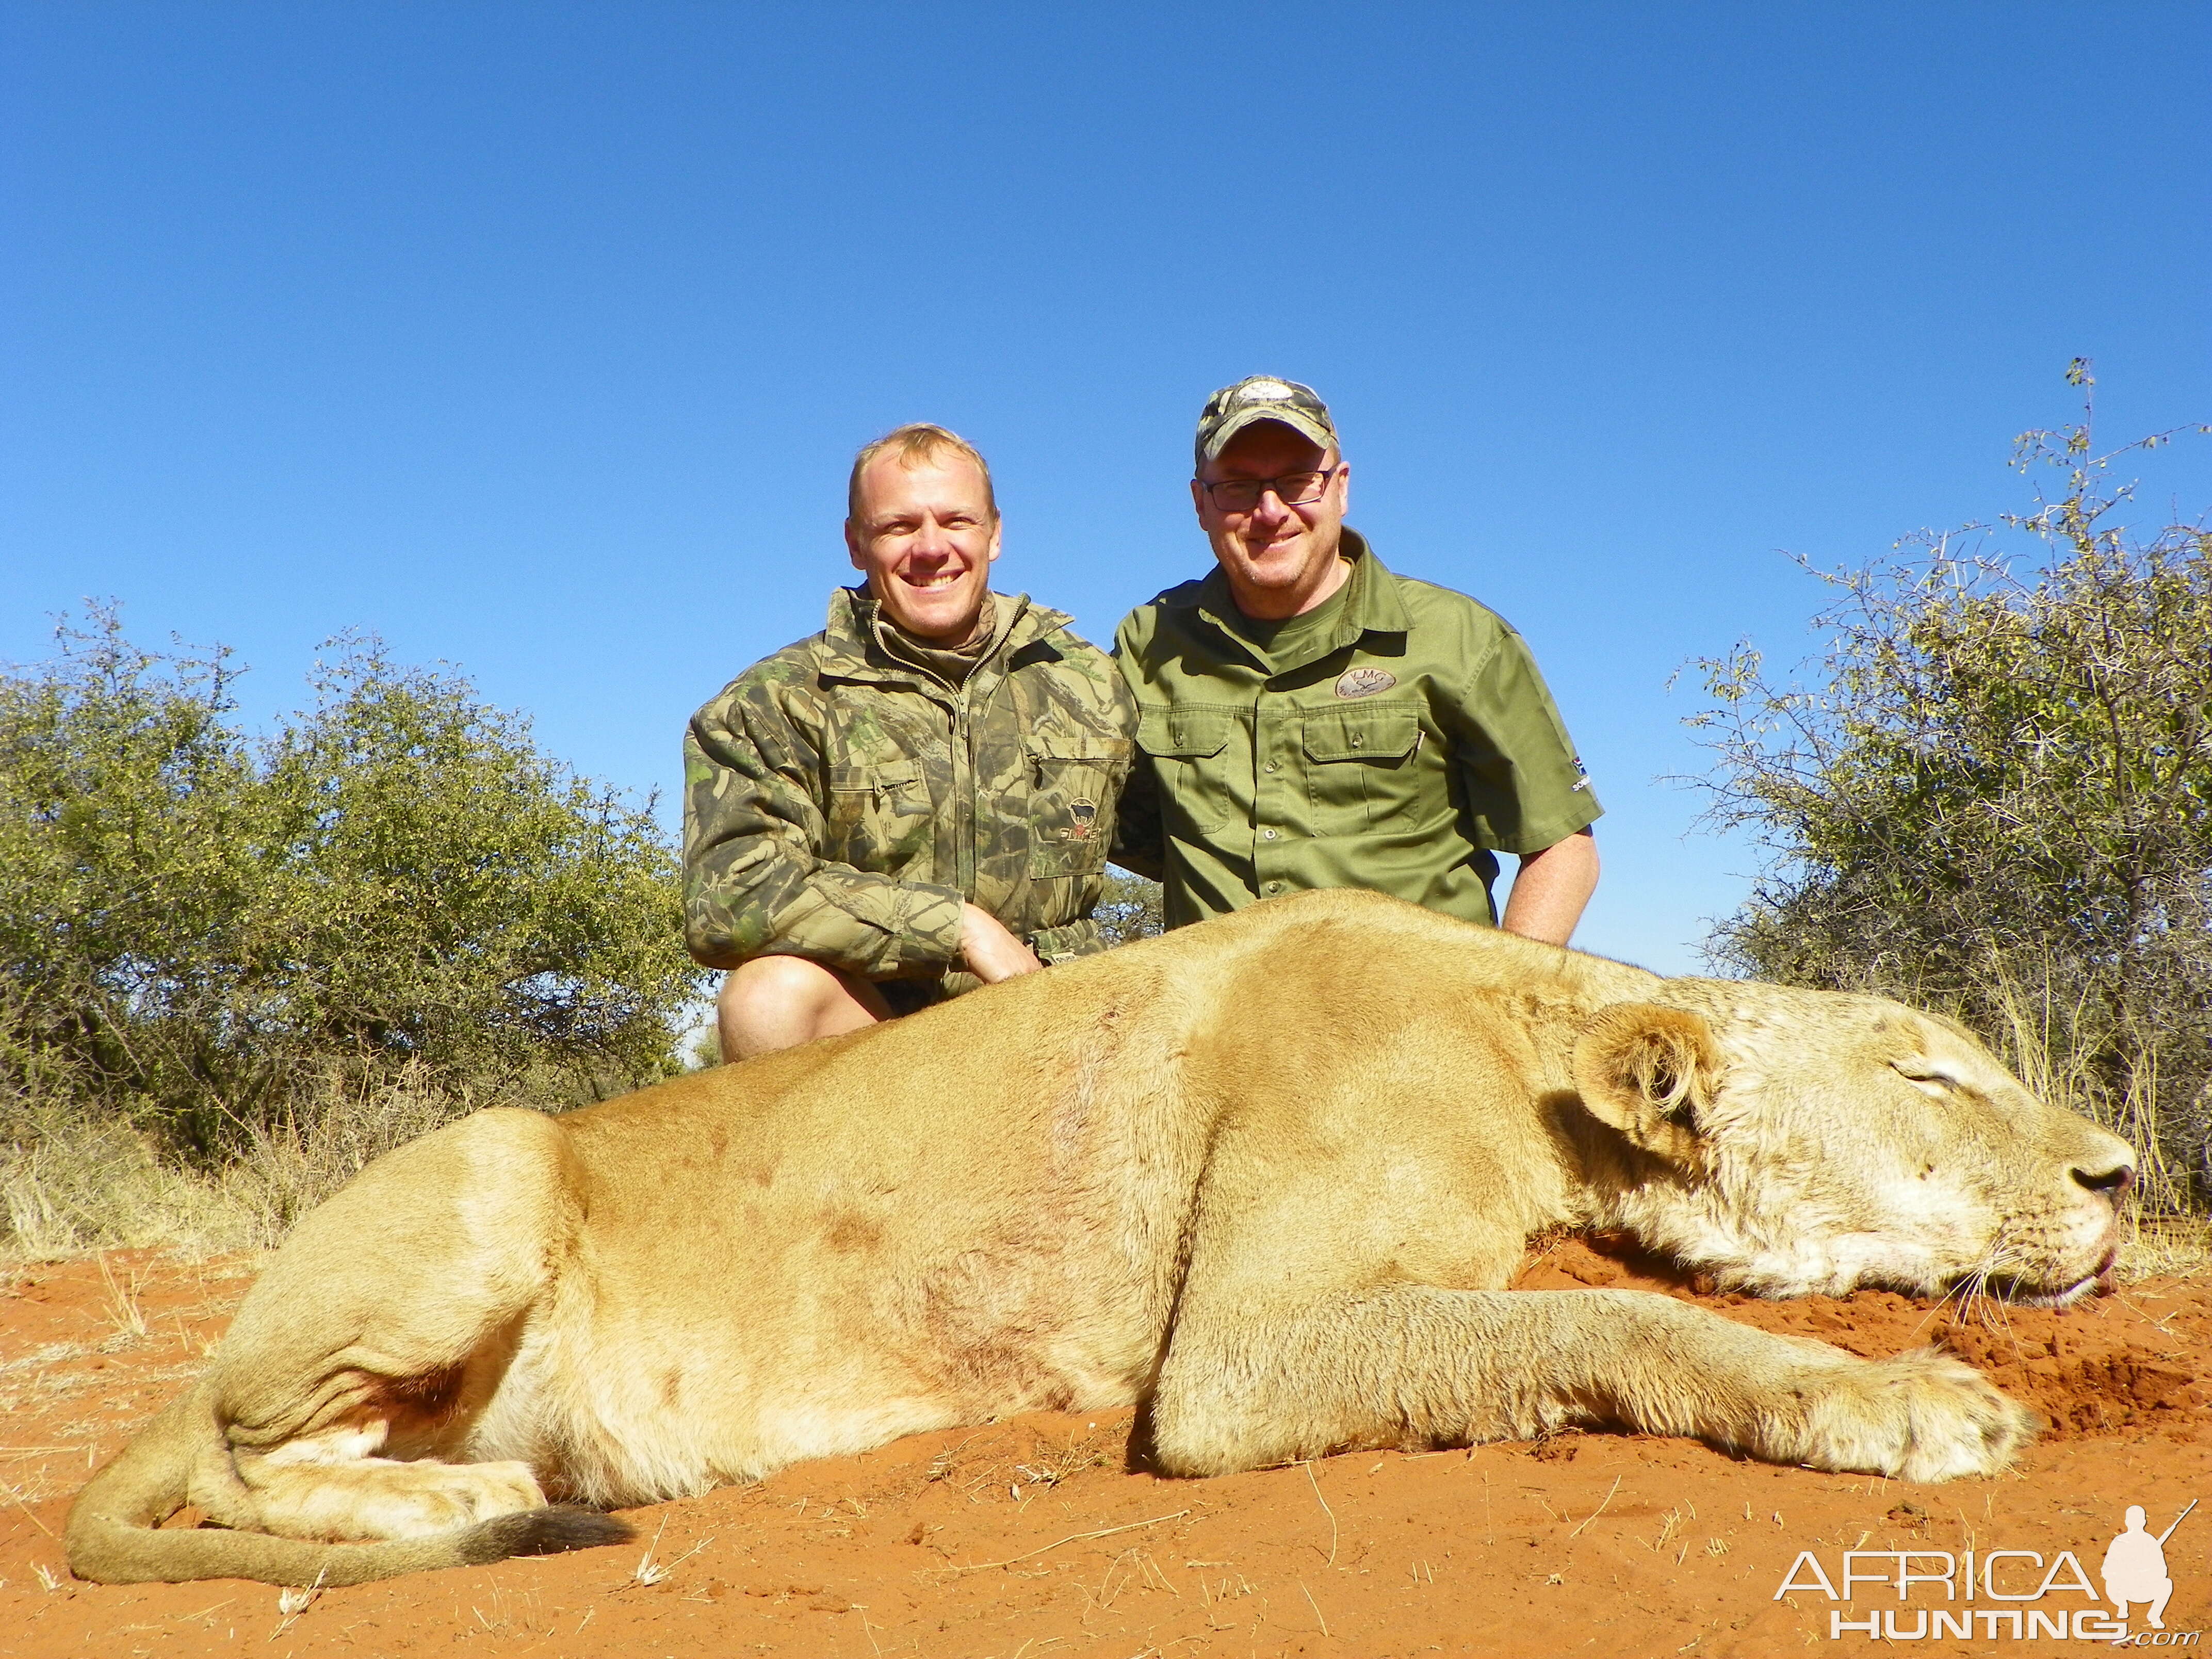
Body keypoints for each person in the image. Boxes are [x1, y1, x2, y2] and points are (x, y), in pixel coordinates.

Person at [684, 423, 1134, 1060]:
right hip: (886, 1039)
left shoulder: (1089, 681)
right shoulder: (774, 701)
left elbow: (1187, 833)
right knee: (769, 996)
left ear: (994, 533)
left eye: (957, 521)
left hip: (1068, 1016)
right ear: (855, 542)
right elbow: (729, 896)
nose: (931, 549)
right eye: (898, 526)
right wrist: (957, 928)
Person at [1112, 376, 1600, 942]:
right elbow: (1103, 824)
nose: (1270, 511)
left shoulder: (1462, 637)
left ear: (1340, 488)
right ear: (1200, 502)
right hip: (1222, 1027)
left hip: (1417, 1020)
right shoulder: (1148, 642)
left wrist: (1501, 1000)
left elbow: (1563, 845)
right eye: (1240, 487)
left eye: (1298, 481)